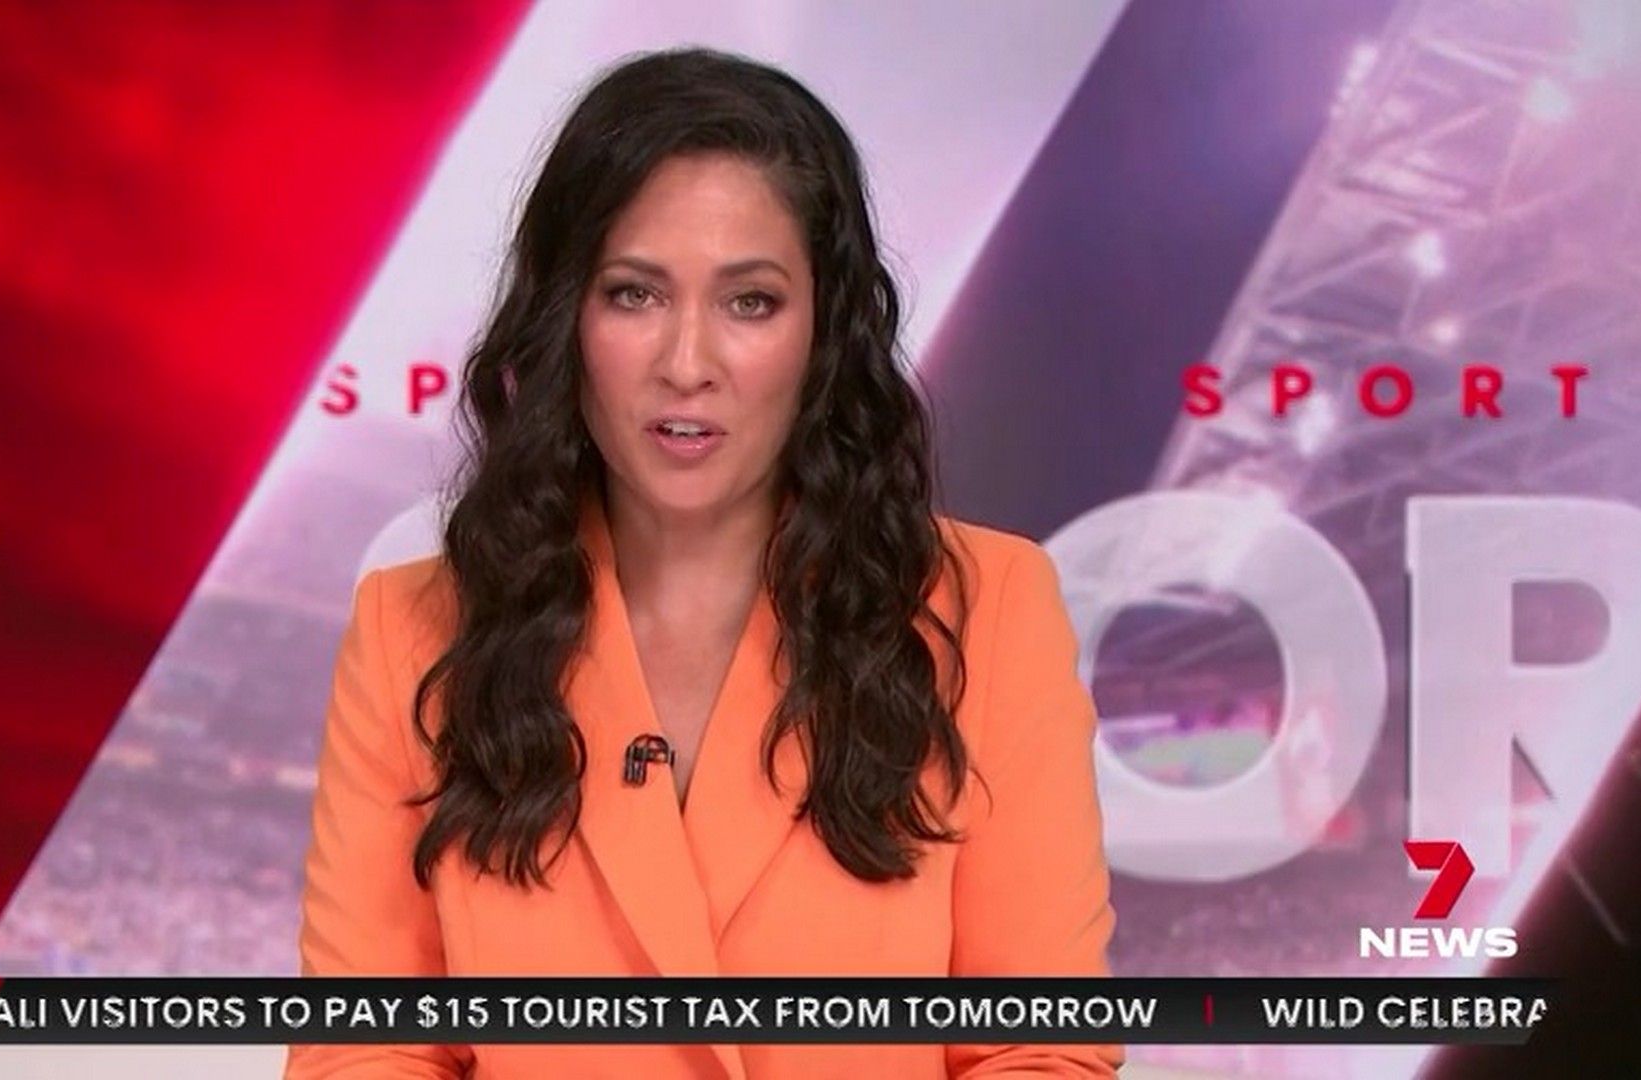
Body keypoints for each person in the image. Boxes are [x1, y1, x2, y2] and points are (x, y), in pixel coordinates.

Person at [288, 46, 1120, 1079]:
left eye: (750, 302)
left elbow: (1038, 1050)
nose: (688, 365)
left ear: (823, 332)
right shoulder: (414, 631)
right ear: (565, 319)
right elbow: (367, 1050)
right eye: (634, 295)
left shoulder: (988, 611)